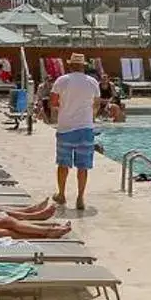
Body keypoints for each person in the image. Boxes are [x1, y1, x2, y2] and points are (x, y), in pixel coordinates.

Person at [47, 52, 101, 211]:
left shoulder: (61, 81)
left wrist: (63, 108)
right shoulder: (92, 82)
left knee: (63, 164)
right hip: (85, 128)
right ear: (83, 66)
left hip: (66, 127)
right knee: (83, 166)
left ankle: (62, 194)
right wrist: (91, 115)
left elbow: (53, 102)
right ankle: (80, 198)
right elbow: (96, 104)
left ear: (70, 65)